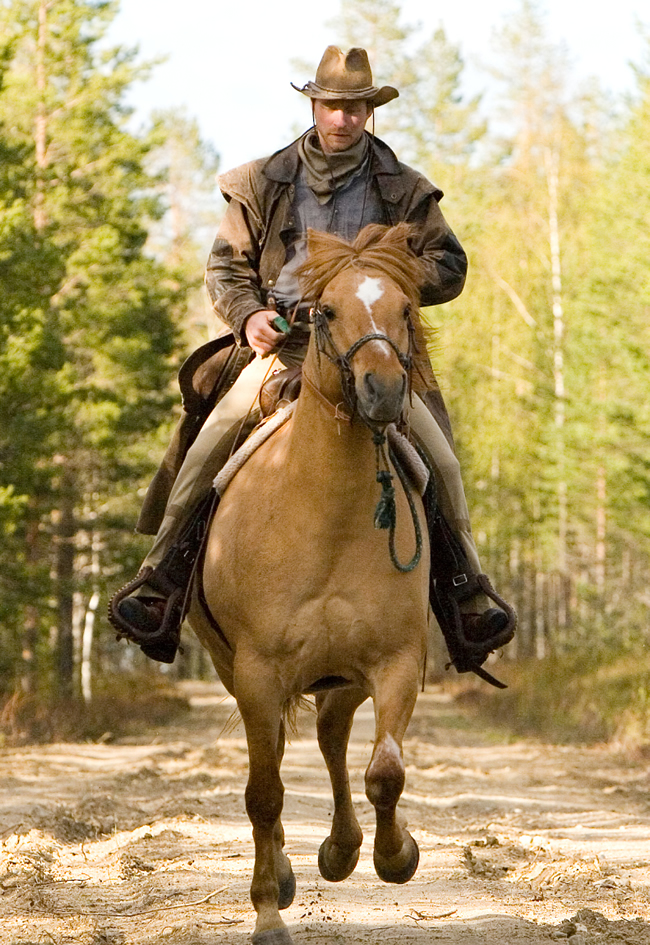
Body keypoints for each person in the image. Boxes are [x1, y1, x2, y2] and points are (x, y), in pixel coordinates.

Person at [110, 46, 516, 681]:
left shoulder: (403, 188)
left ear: (368, 111)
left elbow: (451, 266)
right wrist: (247, 315)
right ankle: (159, 579)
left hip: (372, 351)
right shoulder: (262, 182)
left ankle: (465, 587)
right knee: (209, 442)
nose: (344, 118)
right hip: (287, 349)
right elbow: (225, 266)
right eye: (333, 105)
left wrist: (388, 277)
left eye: (356, 107)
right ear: (314, 105)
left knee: (441, 459)